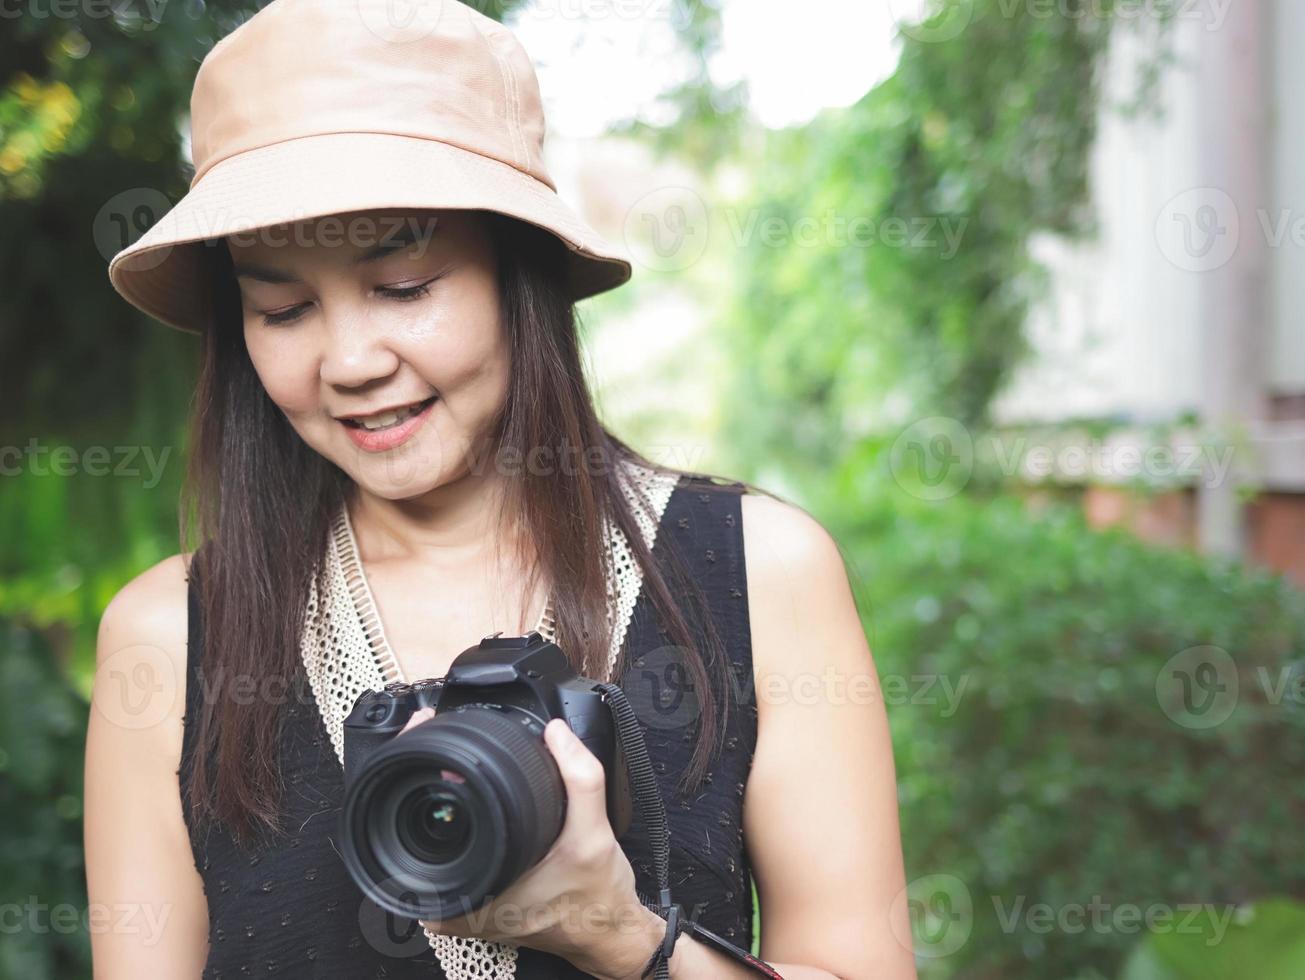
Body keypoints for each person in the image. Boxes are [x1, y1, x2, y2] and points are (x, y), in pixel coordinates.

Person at [86, 1, 916, 978]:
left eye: (403, 286)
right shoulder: (172, 634)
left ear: (514, 271)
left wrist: (616, 930)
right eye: (283, 306)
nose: (349, 359)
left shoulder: (754, 571)